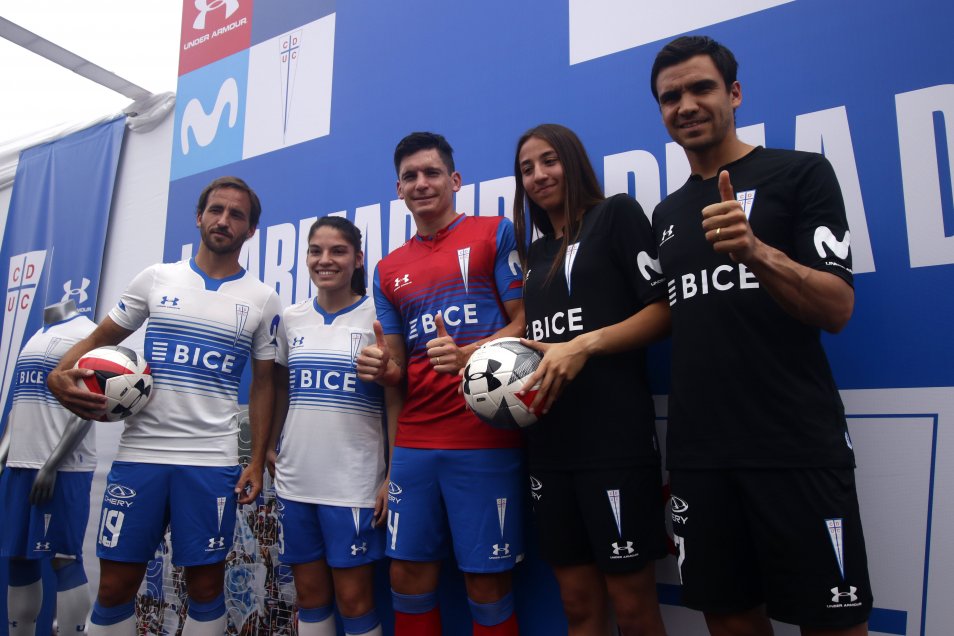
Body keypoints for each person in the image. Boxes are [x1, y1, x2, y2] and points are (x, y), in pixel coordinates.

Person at [649, 35, 870, 636]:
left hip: (794, 446)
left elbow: (837, 307)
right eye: (671, 97)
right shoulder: (666, 215)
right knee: (730, 621)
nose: (686, 105)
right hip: (701, 459)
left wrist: (755, 251)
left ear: (735, 93)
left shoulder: (799, 172)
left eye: (701, 88)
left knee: (834, 623)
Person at [47, 176, 282, 636]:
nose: (223, 220)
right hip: (140, 457)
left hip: (210, 462)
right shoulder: (156, 279)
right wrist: (58, 374)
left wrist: (254, 460)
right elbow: (98, 339)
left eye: (237, 215)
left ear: (251, 230)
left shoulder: (263, 299)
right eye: (216, 210)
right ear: (199, 217)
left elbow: (264, 386)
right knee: (114, 588)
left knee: (206, 588)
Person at [356, 132, 525, 635]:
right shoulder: (388, 269)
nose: (421, 183)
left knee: (487, 584)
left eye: (431, 173)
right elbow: (397, 365)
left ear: (455, 180)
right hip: (414, 442)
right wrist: (385, 370)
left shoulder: (495, 232)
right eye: (410, 176)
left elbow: (524, 323)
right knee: (408, 577)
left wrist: (469, 353)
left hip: (484, 437)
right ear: (398, 189)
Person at [511, 124, 670, 636]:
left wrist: (585, 344)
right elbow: (532, 337)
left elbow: (663, 311)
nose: (538, 175)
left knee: (633, 606)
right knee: (578, 607)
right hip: (549, 449)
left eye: (549, 161)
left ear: (574, 162)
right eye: (527, 168)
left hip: (615, 443)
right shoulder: (534, 256)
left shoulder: (616, 215)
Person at [269, 216, 392, 636]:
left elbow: (397, 401)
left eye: (338, 251)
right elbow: (281, 389)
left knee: (356, 600)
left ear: (358, 258)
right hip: (296, 481)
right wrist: (270, 445)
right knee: (309, 597)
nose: (325, 260)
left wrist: (391, 474)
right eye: (316, 251)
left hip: (354, 485)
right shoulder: (291, 318)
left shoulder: (378, 317)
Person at [0, 300, 97, 636]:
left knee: (64, 558)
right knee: (17, 558)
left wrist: (53, 463)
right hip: (19, 465)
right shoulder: (35, 337)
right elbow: (20, 404)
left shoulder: (86, 334)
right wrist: (3, 455)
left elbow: (86, 408)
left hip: (63, 469)